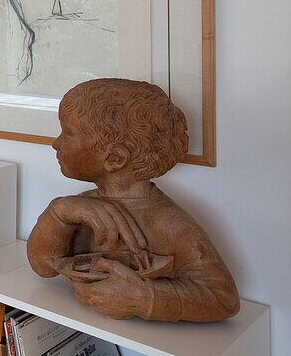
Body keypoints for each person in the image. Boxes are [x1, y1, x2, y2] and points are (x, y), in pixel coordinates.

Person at [27, 78, 238, 322]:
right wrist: (58, 212)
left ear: (115, 158)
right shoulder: (79, 208)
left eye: (68, 133)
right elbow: (42, 267)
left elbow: (225, 299)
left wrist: (145, 299)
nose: (56, 143)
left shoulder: (168, 223)